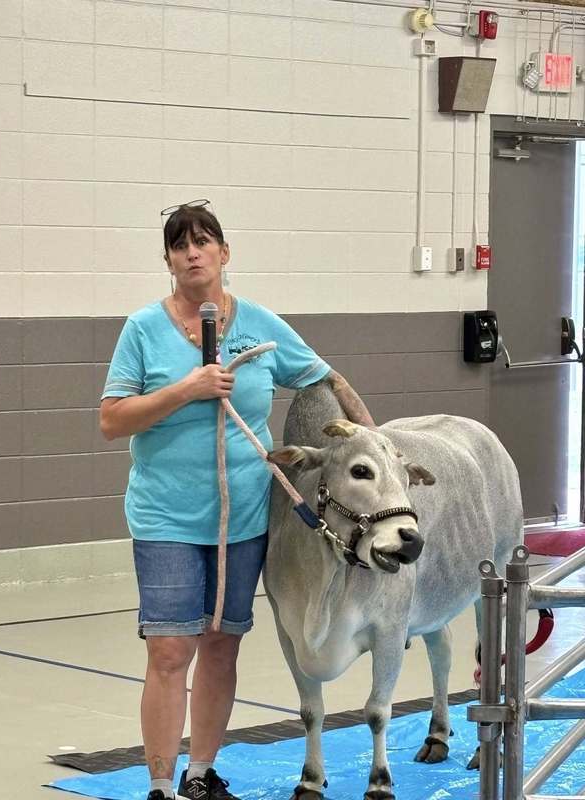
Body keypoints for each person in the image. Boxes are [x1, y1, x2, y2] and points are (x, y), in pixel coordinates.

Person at [99, 200, 375, 800]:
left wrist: (379, 456)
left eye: (203, 242)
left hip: (244, 518)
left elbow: (326, 379)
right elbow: (112, 420)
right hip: (168, 518)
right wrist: (187, 389)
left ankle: (200, 774)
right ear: (168, 261)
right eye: (179, 245)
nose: (192, 253)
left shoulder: (258, 324)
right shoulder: (143, 329)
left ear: (224, 253)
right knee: (171, 650)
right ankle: (160, 784)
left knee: (222, 645)